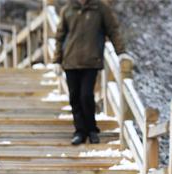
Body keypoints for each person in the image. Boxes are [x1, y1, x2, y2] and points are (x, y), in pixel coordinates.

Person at [54, 0, 126, 145]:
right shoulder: (68, 9)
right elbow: (60, 36)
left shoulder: (100, 9)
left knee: (86, 95)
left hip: (91, 60)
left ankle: (92, 130)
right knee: (74, 97)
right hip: (70, 60)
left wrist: (121, 53)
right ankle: (80, 131)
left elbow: (113, 31)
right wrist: (57, 60)